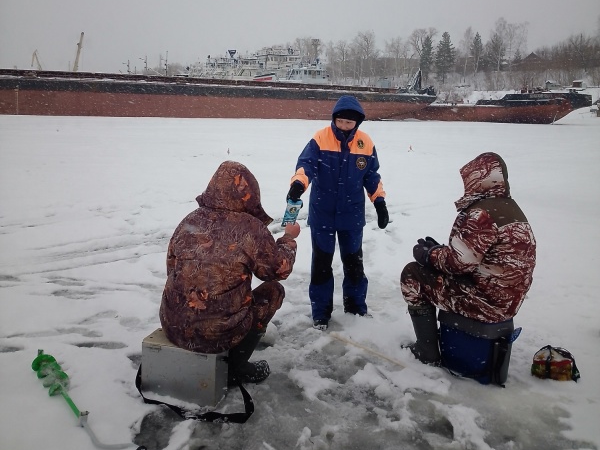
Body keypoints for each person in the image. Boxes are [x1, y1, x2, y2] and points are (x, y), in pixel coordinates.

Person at [160, 161, 300, 384]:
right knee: (274, 292)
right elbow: (277, 270)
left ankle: (206, 331)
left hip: (173, 325)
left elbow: (171, 268)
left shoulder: (189, 220)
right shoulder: (250, 228)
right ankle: (238, 366)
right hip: (218, 335)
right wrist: (288, 240)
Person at [400, 151, 536, 365]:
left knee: (412, 275)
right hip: (506, 301)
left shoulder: (481, 214)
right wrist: (440, 250)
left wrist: (428, 255)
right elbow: (481, 258)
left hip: (484, 303)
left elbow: (457, 264)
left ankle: (426, 351)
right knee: (431, 270)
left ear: (479, 179)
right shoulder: (511, 209)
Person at [287, 94, 389, 330]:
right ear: (334, 119)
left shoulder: (366, 143)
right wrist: (298, 184)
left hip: (351, 215)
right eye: (340, 121)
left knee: (353, 263)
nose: (344, 126)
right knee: (322, 263)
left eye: (349, 123)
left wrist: (380, 202)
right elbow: (306, 165)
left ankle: (355, 307)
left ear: (357, 123)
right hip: (322, 212)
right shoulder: (320, 138)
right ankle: (321, 312)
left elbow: (372, 177)